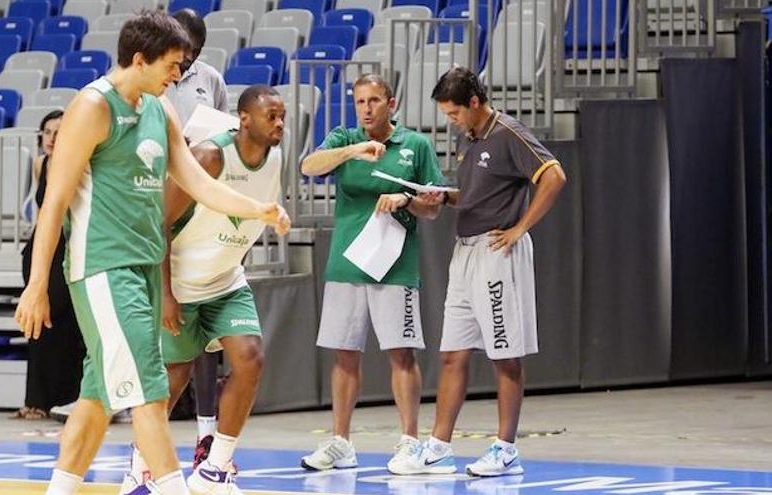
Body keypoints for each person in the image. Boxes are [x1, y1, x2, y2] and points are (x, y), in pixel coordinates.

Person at [13, 11, 290, 495]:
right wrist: (36, 285)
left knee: (97, 397)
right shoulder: (92, 107)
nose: (179, 76)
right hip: (103, 267)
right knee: (148, 389)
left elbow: (199, 182)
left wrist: (258, 208)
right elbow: (54, 201)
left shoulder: (160, 110)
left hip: (142, 265)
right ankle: (170, 487)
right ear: (139, 60)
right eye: (172, 65)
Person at [120, 84, 287, 495]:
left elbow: (247, 219)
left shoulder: (276, 158)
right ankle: (140, 469)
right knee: (172, 382)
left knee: (250, 358)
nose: (280, 123)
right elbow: (158, 223)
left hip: (226, 281)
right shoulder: (210, 157)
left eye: (283, 115)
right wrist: (167, 294)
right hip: (179, 282)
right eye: (272, 116)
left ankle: (215, 468)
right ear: (244, 119)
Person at [412, 66, 566, 477]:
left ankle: (506, 449)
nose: (451, 120)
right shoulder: (471, 139)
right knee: (451, 354)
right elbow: (477, 194)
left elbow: (554, 176)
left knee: (505, 356)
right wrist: (444, 197)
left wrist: (520, 228)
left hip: (498, 252)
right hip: (464, 253)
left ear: (474, 103)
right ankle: (440, 447)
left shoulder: (509, 133)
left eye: (453, 113)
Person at [299, 74, 443, 475]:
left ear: (391, 103)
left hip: (394, 265)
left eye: (374, 101)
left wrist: (407, 199)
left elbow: (434, 207)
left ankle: (410, 442)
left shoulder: (415, 145)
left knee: (401, 354)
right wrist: (354, 150)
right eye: (360, 101)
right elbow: (308, 166)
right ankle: (341, 442)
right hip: (347, 262)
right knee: (344, 354)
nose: (366, 109)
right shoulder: (345, 138)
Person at [167, 6, 229, 465]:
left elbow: (224, 136)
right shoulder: (149, 77)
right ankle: (146, 428)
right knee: (169, 332)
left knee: (206, 330)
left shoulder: (211, 79)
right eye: (184, 53)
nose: (187, 63)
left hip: (202, 202)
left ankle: (207, 431)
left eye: (195, 54)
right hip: (158, 202)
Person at [13, 110, 86, 421]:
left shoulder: (79, 164)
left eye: (59, 132)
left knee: (69, 323)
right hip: (43, 251)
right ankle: (37, 400)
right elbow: (44, 210)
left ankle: (67, 398)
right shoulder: (40, 163)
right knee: (38, 320)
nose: (53, 138)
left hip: (71, 246)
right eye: (48, 132)